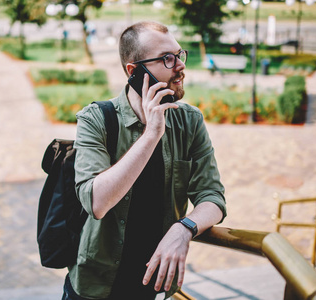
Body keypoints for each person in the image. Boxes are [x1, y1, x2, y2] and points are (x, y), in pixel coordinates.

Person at [66, 21, 226, 300]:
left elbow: (213, 197)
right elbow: (97, 202)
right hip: (95, 285)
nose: (180, 66)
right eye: (167, 59)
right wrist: (152, 133)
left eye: (179, 55)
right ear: (134, 71)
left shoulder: (190, 122)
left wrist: (184, 229)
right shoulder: (95, 120)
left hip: (153, 287)